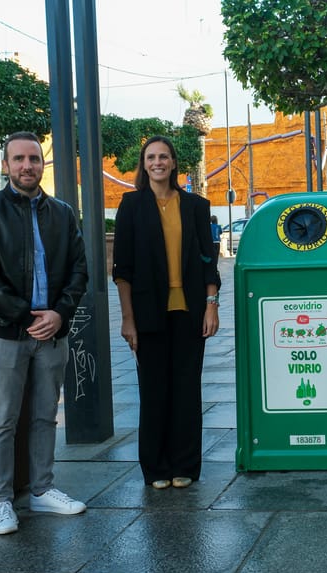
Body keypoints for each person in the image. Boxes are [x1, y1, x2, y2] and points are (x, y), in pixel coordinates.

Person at [0, 131, 89, 535]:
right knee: (2, 417)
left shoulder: (64, 213)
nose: (26, 166)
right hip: (7, 333)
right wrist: (25, 315)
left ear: (42, 164)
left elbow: (78, 270)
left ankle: (42, 489)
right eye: (18, 159)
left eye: (33, 159)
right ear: (6, 165)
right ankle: (0, 501)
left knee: (44, 415)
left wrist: (59, 313)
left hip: (52, 332)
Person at [113, 135, 221, 491]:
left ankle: (185, 465)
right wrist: (127, 319)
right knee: (154, 390)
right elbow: (122, 269)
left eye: (164, 157)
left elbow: (209, 260)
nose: (157, 162)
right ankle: (156, 467)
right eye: (151, 158)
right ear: (144, 165)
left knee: (187, 390)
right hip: (147, 314)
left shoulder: (195, 206)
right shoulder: (130, 206)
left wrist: (211, 305)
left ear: (174, 163)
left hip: (189, 312)